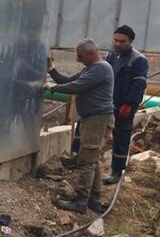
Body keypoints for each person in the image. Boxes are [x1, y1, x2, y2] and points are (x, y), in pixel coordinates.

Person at [47, 40, 115, 214]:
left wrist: (52, 87)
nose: (78, 59)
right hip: (92, 119)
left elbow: (76, 86)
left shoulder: (101, 68)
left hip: (97, 120)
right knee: (92, 160)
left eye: (80, 55)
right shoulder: (91, 68)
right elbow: (68, 80)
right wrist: (51, 70)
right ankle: (94, 200)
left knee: (86, 162)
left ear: (91, 53)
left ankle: (81, 202)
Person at [104, 25, 149, 186]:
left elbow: (139, 84)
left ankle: (117, 170)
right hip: (109, 101)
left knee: (121, 136)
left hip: (125, 104)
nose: (117, 44)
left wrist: (129, 104)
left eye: (121, 41)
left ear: (130, 41)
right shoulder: (111, 56)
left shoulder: (138, 60)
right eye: (115, 40)